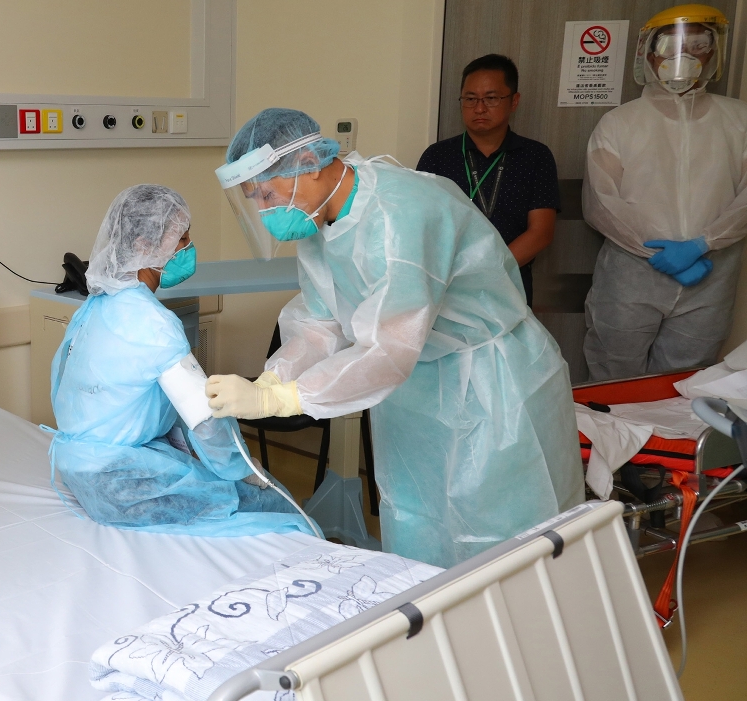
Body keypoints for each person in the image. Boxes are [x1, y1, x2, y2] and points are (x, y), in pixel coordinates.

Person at [206, 108, 584, 568]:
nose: (265, 210)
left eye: (268, 193)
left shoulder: (400, 213)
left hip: (490, 383)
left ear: (307, 162)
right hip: (413, 389)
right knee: (416, 519)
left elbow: (391, 344)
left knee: (505, 537)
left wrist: (284, 399)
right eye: (256, 199)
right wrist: (273, 379)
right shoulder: (318, 220)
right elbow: (321, 321)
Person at [48, 184, 311, 536]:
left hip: (76, 467)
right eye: (182, 239)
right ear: (143, 246)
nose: (189, 248)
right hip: (118, 482)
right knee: (280, 511)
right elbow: (205, 420)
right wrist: (244, 469)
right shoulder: (153, 323)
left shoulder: (94, 307)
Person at [582, 4, 747, 381]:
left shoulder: (739, 121)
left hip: (710, 279)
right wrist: (657, 253)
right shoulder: (620, 122)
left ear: (713, 52)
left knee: (682, 386)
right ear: (650, 54)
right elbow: (601, 204)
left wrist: (703, 243)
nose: (683, 56)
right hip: (631, 279)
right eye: (671, 46)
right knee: (614, 379)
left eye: (698, 44)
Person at [416, 54, 559, 306]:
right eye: (470, 99)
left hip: (510, 282)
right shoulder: (437, 156)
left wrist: (488, 272)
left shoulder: (536, 156)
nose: (479, 108)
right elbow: (421, 225)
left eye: (491, 98)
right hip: (447, 284)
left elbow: (541, 233)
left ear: (514, 101)